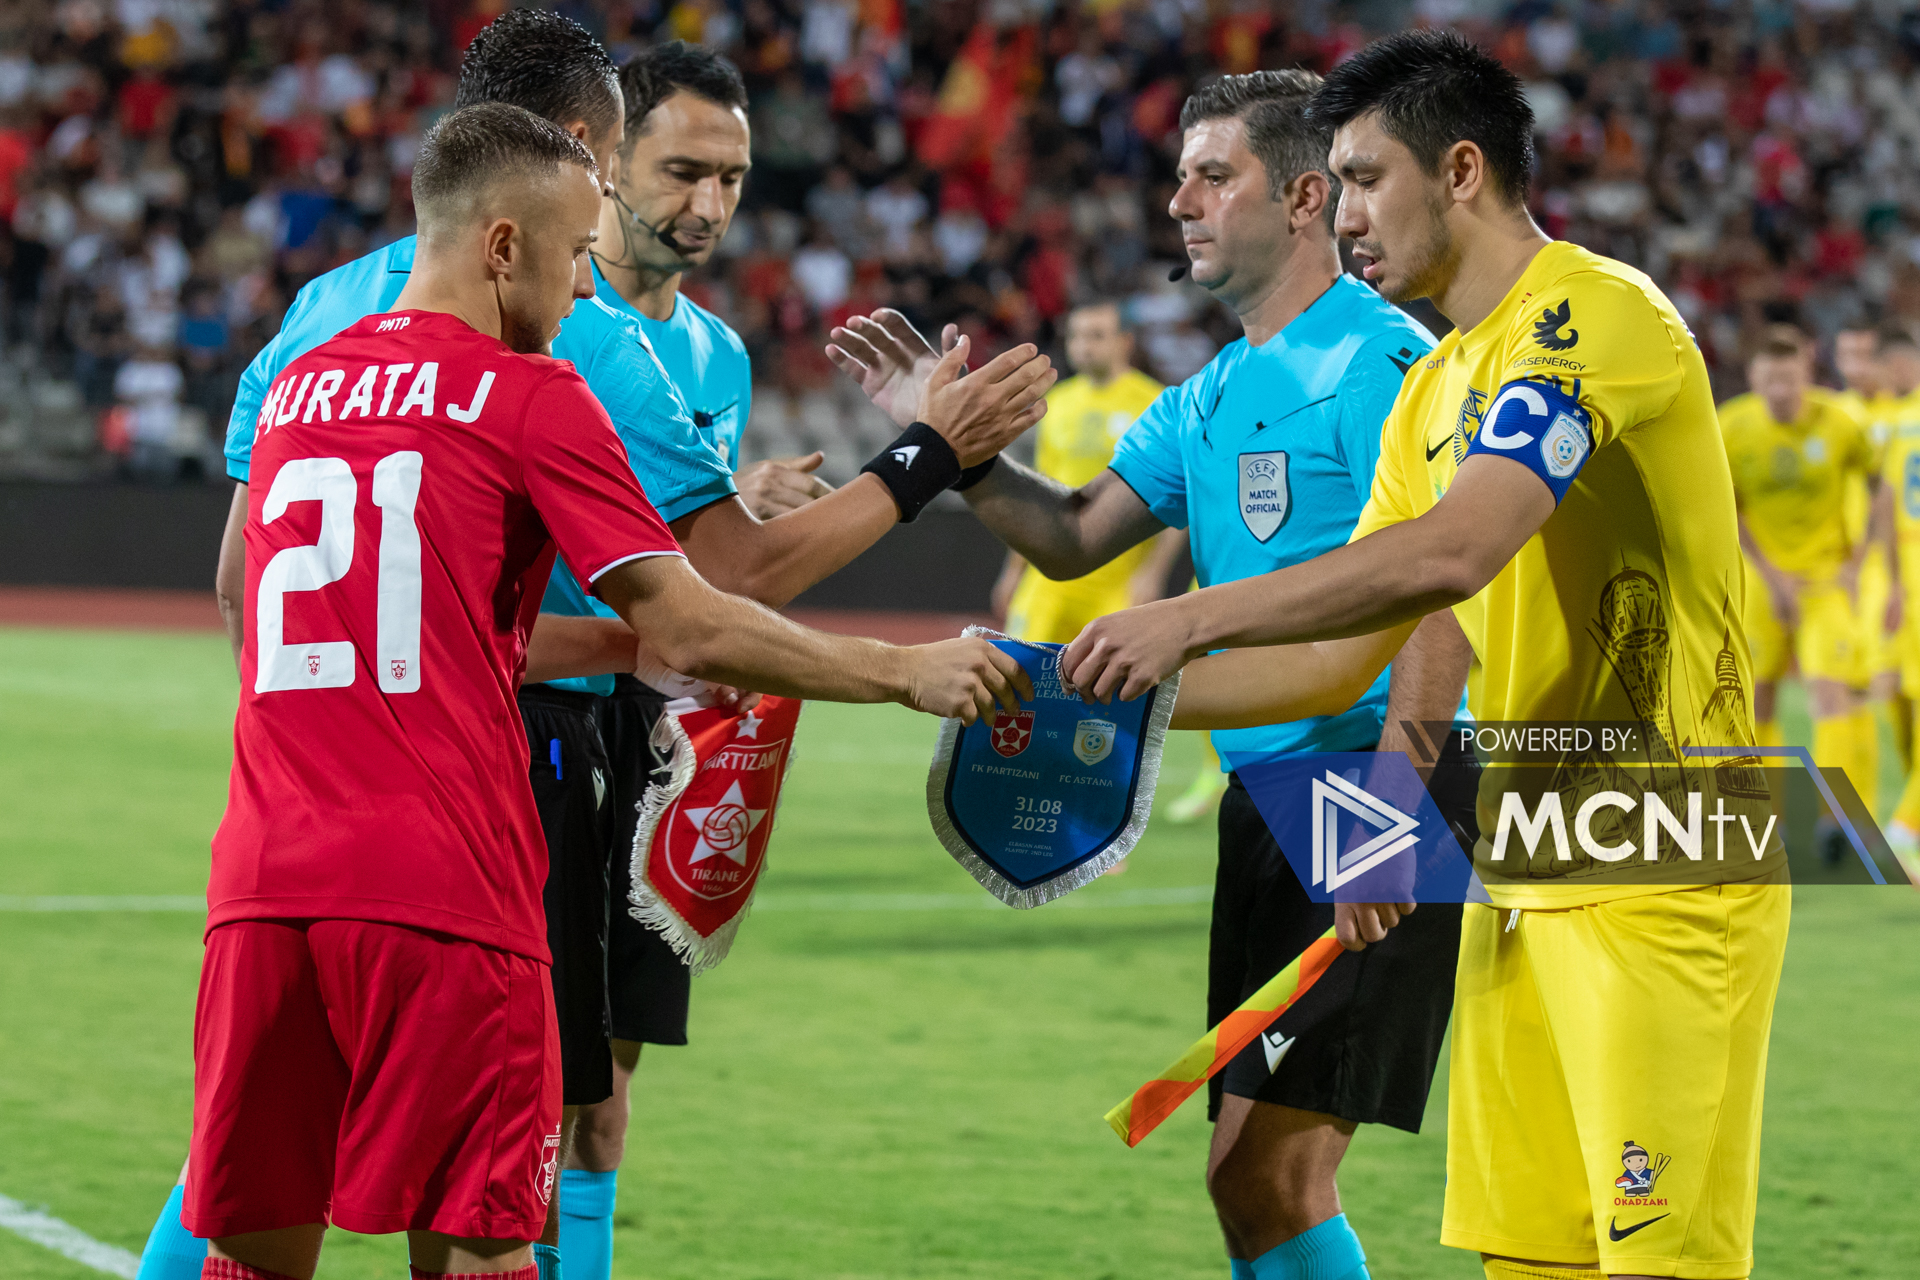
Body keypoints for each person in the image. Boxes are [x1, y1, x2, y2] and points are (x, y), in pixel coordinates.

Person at [139, 16, 1055, 1280]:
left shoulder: (306, 354)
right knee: (490, 1222)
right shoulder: (553, 373)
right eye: (587, 235)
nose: (589, 280)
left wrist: (544, 651)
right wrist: (904, 645)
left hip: (266, 870)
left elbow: (265, 595)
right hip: (461, 857)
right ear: (543, 195)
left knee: (250, 1228)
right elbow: (706, 603)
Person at [1060, 32, 1790, 1280]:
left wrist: (1188, 616)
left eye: (1363, 179)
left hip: (1664, 838)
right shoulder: (1437, 387)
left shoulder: (1594, 313)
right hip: (1524, 842)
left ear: (1460, 170)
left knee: (1655, 1258)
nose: (1343, 216)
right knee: (1534, 1257)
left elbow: (1457, 549)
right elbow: (1372, 643)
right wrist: (1086, 706)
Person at [828, 70, 1473, 1280]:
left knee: (1272, 1171)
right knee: (1245, 1180)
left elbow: (1443, 590)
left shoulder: (1385, 361)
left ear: (1305, 197)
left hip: (1371, 778)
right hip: (1266, 790)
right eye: (1180, 175)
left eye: (1213, 175)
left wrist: (1390, 816)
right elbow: (1073, 534)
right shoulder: (1210, 394)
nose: (1178, 200)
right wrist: (955, 450)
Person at [1721, 324, 1883, 856]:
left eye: (1789, 380)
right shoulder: (1732, 426)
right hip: (1761, 578)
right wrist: (1772, 576)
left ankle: (1834, 819)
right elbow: (1730, 506)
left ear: (1807, 375)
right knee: (1758, 695)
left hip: (1824, 580)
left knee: (1830, 692)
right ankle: (1767, 818)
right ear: (1754, 377)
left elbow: (1878, 483)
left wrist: (1857, 561)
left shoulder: (1840, 423)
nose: (1780, 391)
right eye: (1770, 380)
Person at [988, 299, 1167, 644]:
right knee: (1016, 669)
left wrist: (1151, 574)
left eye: (1096, 335)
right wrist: (1012, 572)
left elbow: (1178, 496)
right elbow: (1037, 490)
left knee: (1106, 678)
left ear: (1125, 342)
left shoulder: (1155, 404)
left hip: (1116, 581)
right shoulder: (1056, 403)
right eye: (1077, 336)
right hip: (1048, 576)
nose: (1084, 346)